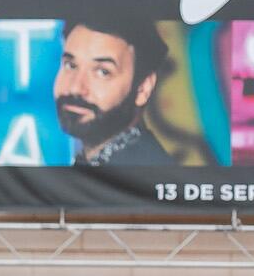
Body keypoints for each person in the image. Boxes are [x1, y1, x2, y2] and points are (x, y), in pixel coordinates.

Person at [55, 15, 175, 168]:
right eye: (70, 65)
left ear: (143, 88)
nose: (75, 88)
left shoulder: (143, 177)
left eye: (103, 72)